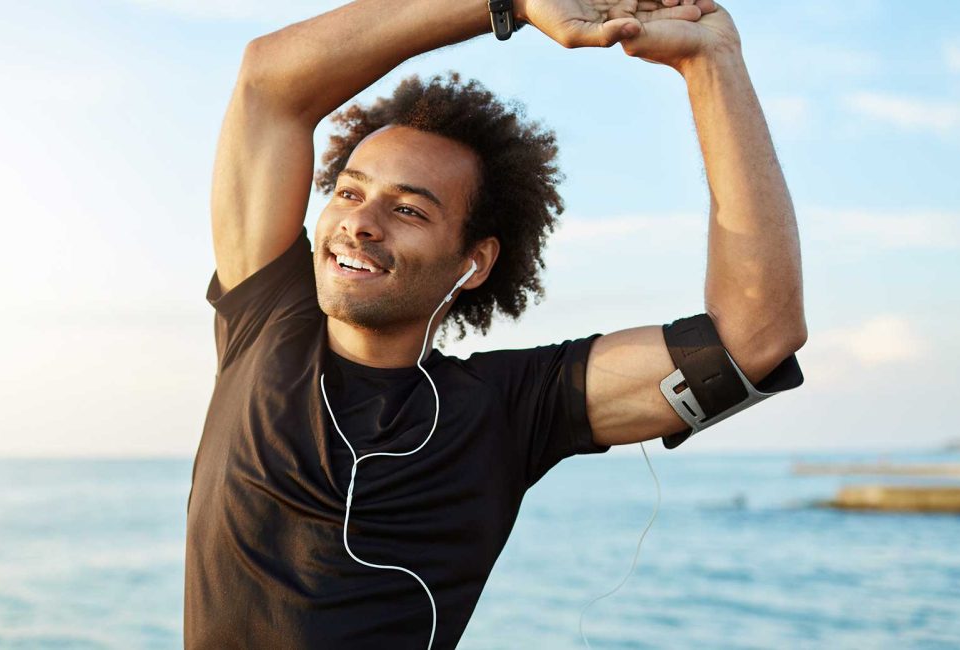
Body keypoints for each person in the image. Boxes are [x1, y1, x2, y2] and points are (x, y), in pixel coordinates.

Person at [184, 0, 807, 647]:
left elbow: (756, 335)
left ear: (474, 262)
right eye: (349, 191)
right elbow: (268, 81)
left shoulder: (507, 410)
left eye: (409, 210)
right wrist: (511, 3)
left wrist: (712, 63)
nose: (361, 223)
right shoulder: (265, 319)